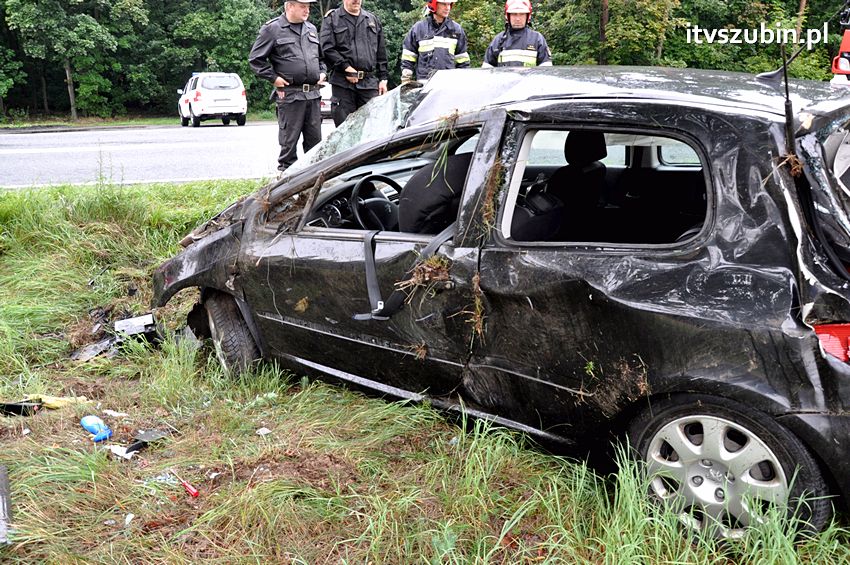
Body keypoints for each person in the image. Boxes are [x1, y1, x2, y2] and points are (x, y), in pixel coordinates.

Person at [249, 0, 326, 175]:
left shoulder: (311, 29)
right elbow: (255, 60)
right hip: (290, 96)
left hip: (313, 96)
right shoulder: (272, 29)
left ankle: (314, 185)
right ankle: (287, 188)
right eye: (302, 6)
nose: (307, 10)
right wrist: (273, 78)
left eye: (308, 6)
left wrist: (322, 72)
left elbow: (321, 59)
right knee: (289, 146)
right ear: (289, 6)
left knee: (315, 146)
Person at [320, 0, 389, 127]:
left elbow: (381, 51)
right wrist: (346, 67)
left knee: (371, 129)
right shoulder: (332, 19)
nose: (357, 0)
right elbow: (327, 48)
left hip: (369, 84)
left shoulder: (372, 19)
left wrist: (383, 78)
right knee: (344, 131)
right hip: (343, 85)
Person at [401, 0, 470, 83]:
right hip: (425, 85)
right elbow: (408, 57)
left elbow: (463, 61)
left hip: (447, 84)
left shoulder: (456, 30)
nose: (447, 8)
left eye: (449, 4)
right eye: (444, 4)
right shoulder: (418, 29)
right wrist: (406, 80)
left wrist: (463, 82)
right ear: (434, 4)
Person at [482, 0, 552, 68]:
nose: (518, 19)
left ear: (528, 16)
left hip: (529, 79)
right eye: (514, 14)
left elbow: (546, 70)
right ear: (508, 16)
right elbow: (486, 70)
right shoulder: (498, 40)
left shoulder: (537, 39)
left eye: (522, 14)